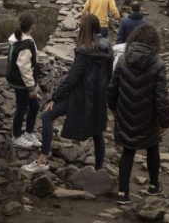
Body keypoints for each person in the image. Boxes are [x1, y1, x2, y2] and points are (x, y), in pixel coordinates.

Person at [22, 14, 113, 173]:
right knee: (98, 131)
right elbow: (109, 75)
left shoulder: (84, 52)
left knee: (47, 116)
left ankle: (42, 160)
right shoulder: (107, 48)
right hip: (98, 97)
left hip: (80, 97)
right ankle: (99, 170)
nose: (78, 25)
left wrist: (54, 98)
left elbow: (71, 79)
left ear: (85, 28)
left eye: (80, 24)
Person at [107, 24, 169, 205]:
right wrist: (165, 122)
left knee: (128, 151)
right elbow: (162, 97)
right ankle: (153, 186)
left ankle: (123, 193)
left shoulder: (122, 60)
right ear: (154, 42)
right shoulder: (158, 64)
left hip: (126, 113)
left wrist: (113, 108)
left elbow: (112, 89)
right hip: (149, 117)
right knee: (152, 148)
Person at [6, 12, 41, 149]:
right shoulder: (25, 44)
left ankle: (28, 132)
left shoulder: (18, 38)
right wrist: (31, 88)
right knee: (22, 108)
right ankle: (16, 136)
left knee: (34, 106)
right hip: (22, 82)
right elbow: (24, 67)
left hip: (20, 80)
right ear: (32, 26)